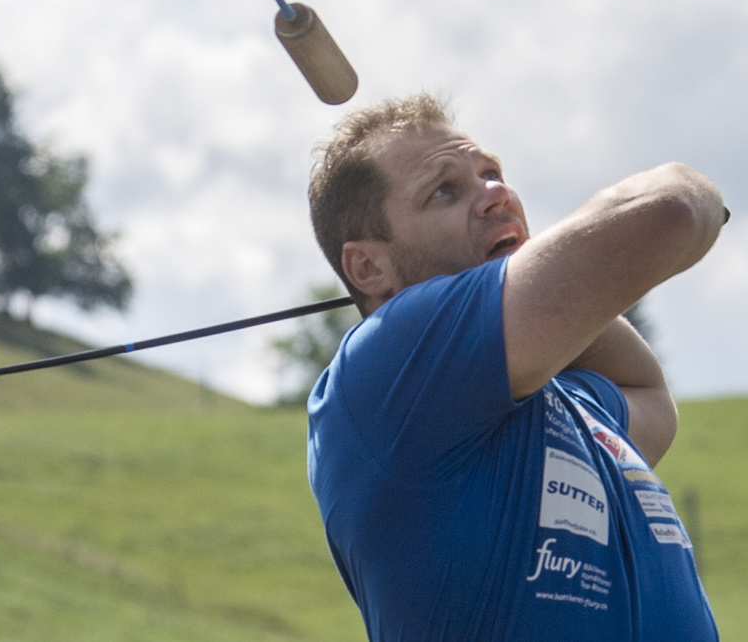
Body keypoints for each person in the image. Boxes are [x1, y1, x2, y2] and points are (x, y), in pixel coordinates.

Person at [305, 94, 726, 641]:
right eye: (444, 191)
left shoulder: (560, 398)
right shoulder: (390, 358)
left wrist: (539, 277)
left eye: (491, 174)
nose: (496, 194)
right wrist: (695, 191)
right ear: (368, 266)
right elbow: (671, 212)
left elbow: (648, 395)